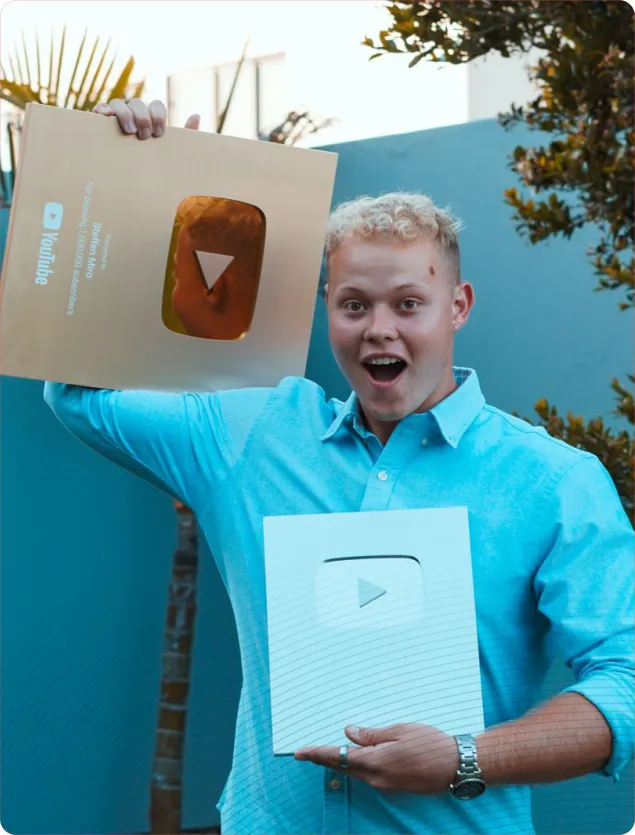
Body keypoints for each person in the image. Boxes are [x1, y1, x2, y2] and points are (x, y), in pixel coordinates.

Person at [44, 98, 634, 835]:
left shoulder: (555, 483)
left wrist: (464, 757)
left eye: (408, 303)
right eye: (354, 304)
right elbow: (77, 392)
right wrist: (145, 186)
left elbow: (624, 684)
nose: (378, 327)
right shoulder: (253, 434)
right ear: (327, 307)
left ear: (457, 306)